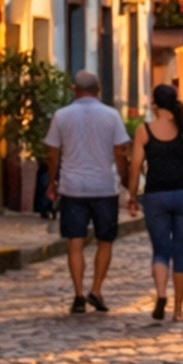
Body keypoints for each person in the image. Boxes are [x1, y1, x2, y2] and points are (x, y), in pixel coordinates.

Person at [127, 82, 183, 323]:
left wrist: (132, 195)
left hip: (156, 195)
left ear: (155, 104)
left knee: (160, 250)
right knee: (180, 250)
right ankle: (178, 311)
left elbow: (135, 166)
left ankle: (160, 295)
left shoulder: (144, 131)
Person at [44, 70, 131, 313]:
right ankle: (97, 289)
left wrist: (53, 181)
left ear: (74, 89)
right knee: (105, 240)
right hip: (104, 187)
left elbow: (52, 152)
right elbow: (120, 152)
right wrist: (125, 180)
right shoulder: (112, 116)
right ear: (98, 91)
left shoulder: (61, 116)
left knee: (75, 242)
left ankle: (79, 294)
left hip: (73, 187)